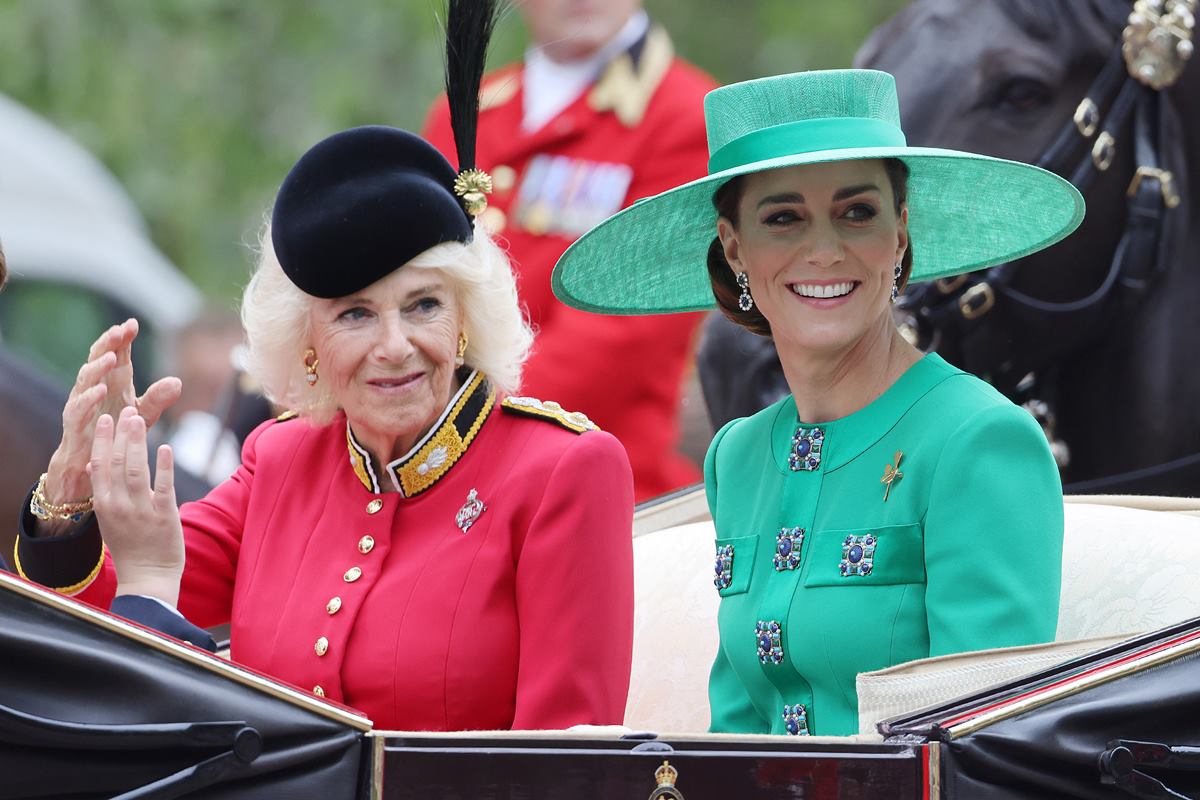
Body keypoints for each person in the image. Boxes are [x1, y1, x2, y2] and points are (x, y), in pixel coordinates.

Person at [12, 0, 635, 732]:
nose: (395, 344)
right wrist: (66, 501)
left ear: (467, 317)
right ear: (307, 341)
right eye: (355, 315)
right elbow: (110, 620)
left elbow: (570, 770)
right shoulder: (279, 461)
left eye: (425, 306)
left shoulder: (564, 472)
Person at [553, 69, 1084, 736]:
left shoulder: (978, 440)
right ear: (734, 247)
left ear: (899, 235)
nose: (825, 250)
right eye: (783, 219)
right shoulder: (738, 456)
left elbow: (981, 749)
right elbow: (737, 732)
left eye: (857, 213)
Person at [422, 0, 716, 502]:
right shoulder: (466, 108)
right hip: (436, 467)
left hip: (594, 488)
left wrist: (444, 423)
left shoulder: (687, 115)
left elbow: (622, 337)